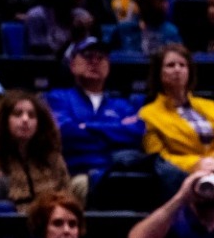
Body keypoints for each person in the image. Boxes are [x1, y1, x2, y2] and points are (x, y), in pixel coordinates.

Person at [45, 38, 144, 183]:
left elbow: (136, 132)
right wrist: (115, 131)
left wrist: (86, 126)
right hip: (75, 172)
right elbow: (66, 132)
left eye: (101, 57)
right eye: (88, 56)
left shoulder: (122, 105)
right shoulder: (58, 98)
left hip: (116, 171)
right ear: (72, 65)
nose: (95, 61)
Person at [137, 44, 214, 181]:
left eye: (182, 65)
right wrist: (196, 164)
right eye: (170, 65)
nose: (177, 69)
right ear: (159, 73)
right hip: (182, 177)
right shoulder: (147, 115)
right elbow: (159, 159)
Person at [0, 90, 75, 211]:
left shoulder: (53, 159)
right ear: (4, 120)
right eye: (18, 114)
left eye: (32, 115)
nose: (25, 119)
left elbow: (68, 200)